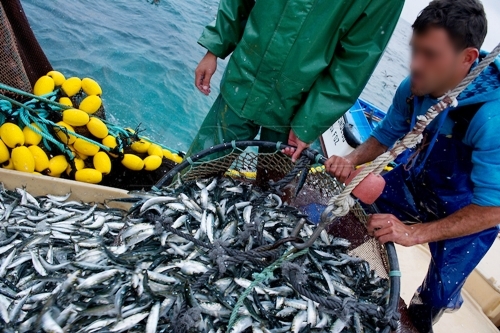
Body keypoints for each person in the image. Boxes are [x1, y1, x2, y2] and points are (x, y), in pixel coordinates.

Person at [325, 1, 500, 332]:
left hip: (469, 209)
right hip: (416, 180)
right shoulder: (415, 86)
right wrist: (350, 159)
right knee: (347, 216)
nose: (416, 65)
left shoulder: (492, 119)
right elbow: (388, 133)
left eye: (431, 55)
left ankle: (433, 307)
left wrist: (414, 233)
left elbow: (494, 209)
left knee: (432, 298)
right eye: (415, 50)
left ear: (467, 59)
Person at [187, 0, 404, 160]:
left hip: (296, 112)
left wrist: (308, 124)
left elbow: (355, 62)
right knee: (196, 169)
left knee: (272, 194)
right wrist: (215, 47)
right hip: (243, 82)